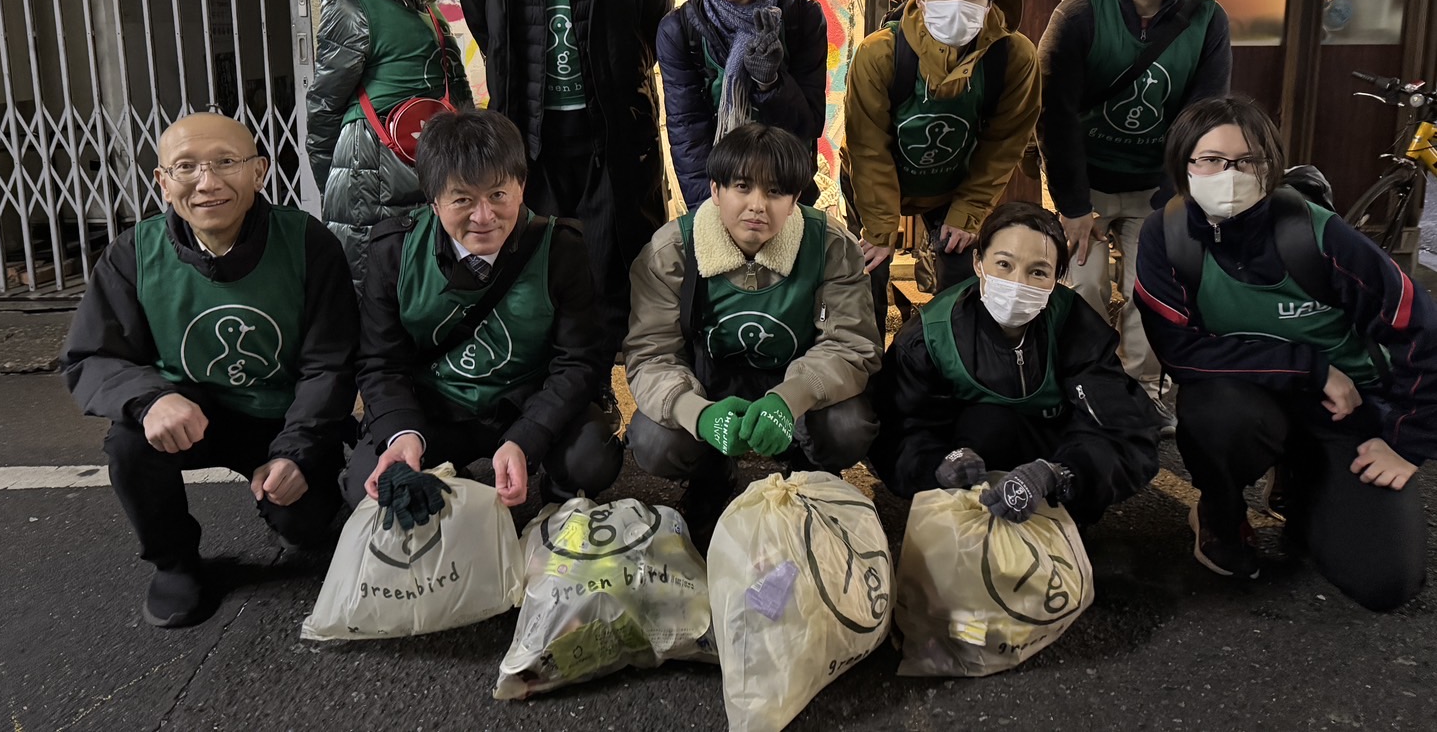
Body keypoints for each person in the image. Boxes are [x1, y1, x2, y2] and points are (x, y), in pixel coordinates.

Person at [59, 114, 358, 628]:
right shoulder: (133, 253)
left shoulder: (307, 243)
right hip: (188, 414)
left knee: (306, 526)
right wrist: (150, 398)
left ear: (259, 172)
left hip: (280, 418)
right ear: (162, 181)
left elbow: (330, 362)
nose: (207, 182)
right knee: (130, 442)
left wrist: (297, 451)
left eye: (226, 162)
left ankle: (294, 494)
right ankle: (175, 563)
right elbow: (92, 355)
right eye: (186, 167)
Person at [1134, 96, 1434, 609]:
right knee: (1212, 412)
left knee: (1386, 583)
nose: (1229, 175)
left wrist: (1408, 442)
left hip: (1346, 409)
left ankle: (1299, 479)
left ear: (1271, 166)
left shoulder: (1318, 235)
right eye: (1210, 159)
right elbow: (1180, 352)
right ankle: (1220, 512)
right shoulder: (1167, 236)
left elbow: (1420, 328)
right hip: (1251, 402)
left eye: (1247, 160)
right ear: (1184, 166)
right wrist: (1309, 367)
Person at [456, 0, 673, 368]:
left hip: (613, 139)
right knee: (540, 269)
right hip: (529, 144)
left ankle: (609, 386)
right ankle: (556, 385)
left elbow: (657, 28)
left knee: (617, 270)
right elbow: (489, 36)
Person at [348, 108, 623, 509]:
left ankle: (558, 504)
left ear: (521, 186)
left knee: (591, 456)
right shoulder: (394, 252)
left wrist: (527, 437)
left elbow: (577, 361)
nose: (484, 216)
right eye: (463, 199)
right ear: (434, 201)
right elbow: (380, 361)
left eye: (498, 195)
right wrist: (403, 434)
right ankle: (447, 478)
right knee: (366, 486)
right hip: (435, 411)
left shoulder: (560, 249)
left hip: (522, 404)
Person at [624, 123, 882, 539]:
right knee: (653, 439)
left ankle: (807, 474)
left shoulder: (831, 245)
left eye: (776, 191)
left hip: (796, 384)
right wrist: (698, 414)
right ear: (715, 190)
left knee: (848, 426)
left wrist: (790, 399)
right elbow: (650, 354)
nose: (757, 205)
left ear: (795, 200)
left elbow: (851, 344)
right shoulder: (671, 252)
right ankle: (710, 476)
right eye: (742, 187)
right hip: (709, 384)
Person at [1037, 0, 1231, 434]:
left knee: (1155, 288)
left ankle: (1142, 391)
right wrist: (1074, 206)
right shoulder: (1079, 14)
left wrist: (1174, 200)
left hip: (1157, 184)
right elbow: (1054, 116)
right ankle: (1087, 384)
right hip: (1086, 182)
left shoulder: (1206, 20)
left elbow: (1203, 119)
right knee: (1084, 284)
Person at [870, 202, 1159, 526]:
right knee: (989, 422)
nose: (1018, 283)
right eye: (1004, 264)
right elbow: (896, 430)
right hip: (967, 481)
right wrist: (937, 465)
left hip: (1052, 472)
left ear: (1057, 278)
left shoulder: (1075, 325)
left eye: (1038, 272)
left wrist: (1062, 472)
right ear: (978, 262)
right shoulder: (932, 335)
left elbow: (1123, 429)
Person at [840, 0, 1041, 338]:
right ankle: (869, 364)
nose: (957, 5)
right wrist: (880, 230)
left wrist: (968, 213)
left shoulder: (1014, 58)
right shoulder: (879, 54)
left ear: (991, 1)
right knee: (868, 273)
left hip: (954, 183)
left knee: (962, 279)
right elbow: (868, 148)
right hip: (875, 180)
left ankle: (948, 356)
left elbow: (1003, 145)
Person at [306, 0, 474, 290]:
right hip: (369, 169)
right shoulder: (349, 0)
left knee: (429, 282)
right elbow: (325, 101)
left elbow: (454, 82)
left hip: (427, 158)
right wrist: (331, 178)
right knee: (379, 285)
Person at [656, 0, 828, 209]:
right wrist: (709, 214)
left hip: (787, 192)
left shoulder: (802, 18)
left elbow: (809, 124)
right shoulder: (678, 31)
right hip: (717, 194)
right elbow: (688, 134)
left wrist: (770, 83)